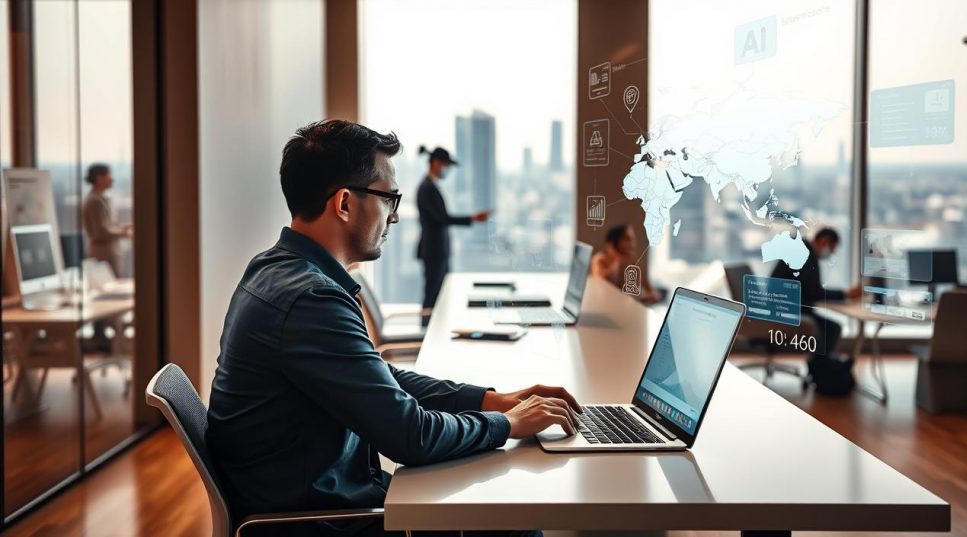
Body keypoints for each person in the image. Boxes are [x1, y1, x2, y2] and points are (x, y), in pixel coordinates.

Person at [207, 120, 579, 537]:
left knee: (494, 497)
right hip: (325, 521)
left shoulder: (276, 270)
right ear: (345, 203)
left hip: (321, 500)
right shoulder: (311, 299)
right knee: (512, 520)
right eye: (389, 199)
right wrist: (508, 424)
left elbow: (378, 377)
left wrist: (493, 400)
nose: (395, 216)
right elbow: (410, 436)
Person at [416, 145, 490, 317]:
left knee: (438, 294)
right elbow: (442, 218)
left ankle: (430, 333)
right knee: (432, 295)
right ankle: (425, 336)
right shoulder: (427, 188)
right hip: (434, 250)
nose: (447, 169)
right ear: (435, 163)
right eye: (445, 165)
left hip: (438, 250)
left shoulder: (431, 186)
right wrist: (472, 218)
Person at [770, 227, 861, 356]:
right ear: (824, 241)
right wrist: (846, 294)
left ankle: (819, 365)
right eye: (831, 249)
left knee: (829, 327)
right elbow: (815, 293)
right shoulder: (806, 255)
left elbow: (811, 291)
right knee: (833, 329)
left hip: (781, 308)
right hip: (789, 312)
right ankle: (819, 369)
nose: (830, 254)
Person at [589, 224, 662, 304]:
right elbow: (601, 281)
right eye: (627, 239)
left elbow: (651, 292)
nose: (632, 243)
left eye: (632, 239)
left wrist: (648, 296)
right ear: (615, 242)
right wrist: (618, 259)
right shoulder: (600, 259)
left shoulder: (633, 262)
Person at [82, 163, 131, 277]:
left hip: (108, 251)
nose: (112, 179)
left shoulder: (100, 199)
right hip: (104, 253)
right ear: (100, 179)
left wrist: (125, 227)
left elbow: (108, 225)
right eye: (109, 176)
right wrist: (125, 233)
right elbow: (101, 231)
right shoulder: (95, 201)